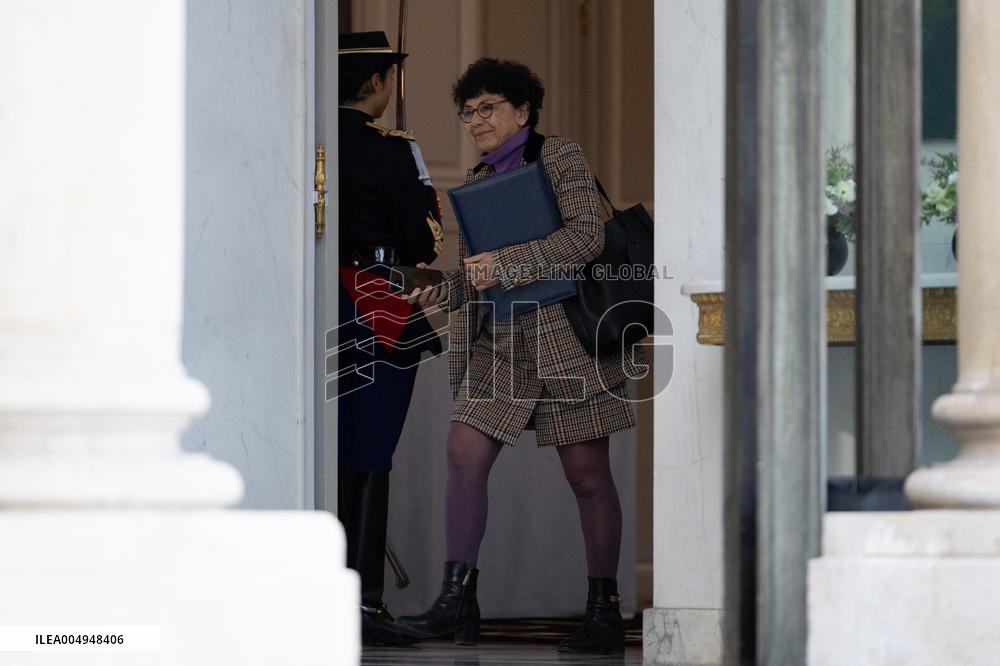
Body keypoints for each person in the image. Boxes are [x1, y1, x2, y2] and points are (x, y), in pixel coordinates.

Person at [396, 58, 639, 655]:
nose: (475, 121)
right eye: (467, 112)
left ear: (523, 111)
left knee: (586, 476)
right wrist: (442, 287)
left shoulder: (561, 157)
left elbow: (585, 236)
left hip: (571, 340)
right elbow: (481, 276)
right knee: (463, 454)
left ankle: (603, 611)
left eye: (488, 108)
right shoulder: (476, 181)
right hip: (502, 341)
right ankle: (458, 600)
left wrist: (503, 264)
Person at [336, 30, 444, 647]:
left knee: (330, 453)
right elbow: (424, 240)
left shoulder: (307, 138)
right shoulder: (393, 149)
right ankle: (364, 603)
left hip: (317, 303)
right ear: (377, 83)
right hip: (376, 301)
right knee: (372, 453)